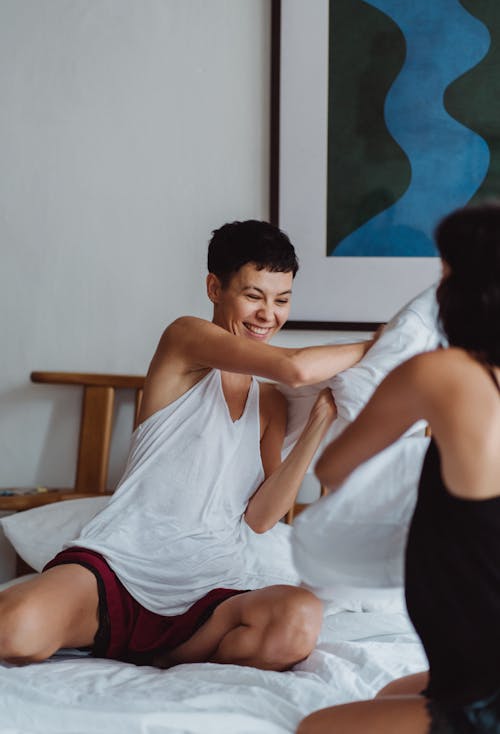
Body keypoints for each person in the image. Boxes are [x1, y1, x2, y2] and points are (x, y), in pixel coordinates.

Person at [0, 219, 371, 671]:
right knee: (13, 629)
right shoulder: (185, 340)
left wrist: (316, 424)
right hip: (118, 567)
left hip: (208, 586)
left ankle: (165, 654)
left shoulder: (272, 402)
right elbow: (295, 368)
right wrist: (387, 343)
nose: (268, 314)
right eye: (253, 296)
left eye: (282, 300)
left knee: (299, 618)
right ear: (215, 288)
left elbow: (260, 519)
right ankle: (123, 639)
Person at [297, 201, 500, 734]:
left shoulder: (441, 373)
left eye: (444, 271)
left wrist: (390, 351)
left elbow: (334, 468)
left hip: (484, 668)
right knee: (391, 692)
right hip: (472, 657)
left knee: (315, 729)